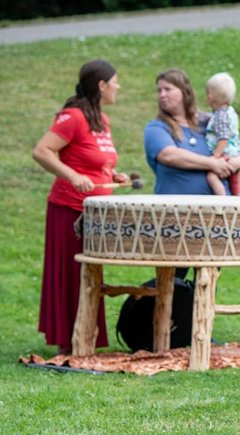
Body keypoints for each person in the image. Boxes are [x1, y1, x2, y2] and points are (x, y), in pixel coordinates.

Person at [32, 59, 127, 355]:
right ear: (101, 85)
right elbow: (42, 151)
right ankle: (67, 340)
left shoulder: (102, 120)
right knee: (72, 274)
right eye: (115, 81)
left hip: (95, 211)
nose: (118, 87)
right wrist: (73, 177)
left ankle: (87, 336)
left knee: (91, 275)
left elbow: (96, 161)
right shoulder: (73, 117)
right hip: (68, 209)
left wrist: (113, 175)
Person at [145, 68, 240, 196]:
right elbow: (170, 156)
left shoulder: (209, 122)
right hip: (177, 212)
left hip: (222, 211)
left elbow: (238, 147)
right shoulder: (156, 128)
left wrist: (235, 162)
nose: (162, 95)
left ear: (184, 91)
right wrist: (212, 163)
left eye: (168, 89)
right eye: (159, 90)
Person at [203, 72, 240, 196]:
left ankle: (223, 201)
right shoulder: (229, 112)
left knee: (212, 177)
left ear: (210, 98)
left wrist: (216, 157)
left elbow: (223, 138)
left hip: (225, 155)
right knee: (235, 184)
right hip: (235, 154)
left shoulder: (221, 117)